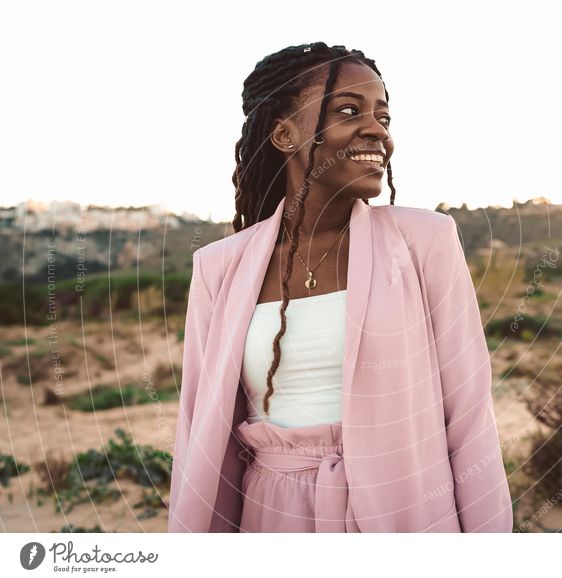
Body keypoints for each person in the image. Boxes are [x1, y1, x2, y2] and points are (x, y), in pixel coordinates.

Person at [167, 42, 513, 533]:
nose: (376, 130)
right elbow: (198, 432)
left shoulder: (424, 241)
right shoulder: (219, 267)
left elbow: (470, 414)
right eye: (349, 110)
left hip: (405, 510)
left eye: (384, 118)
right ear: (285, 135)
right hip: (271, 516)